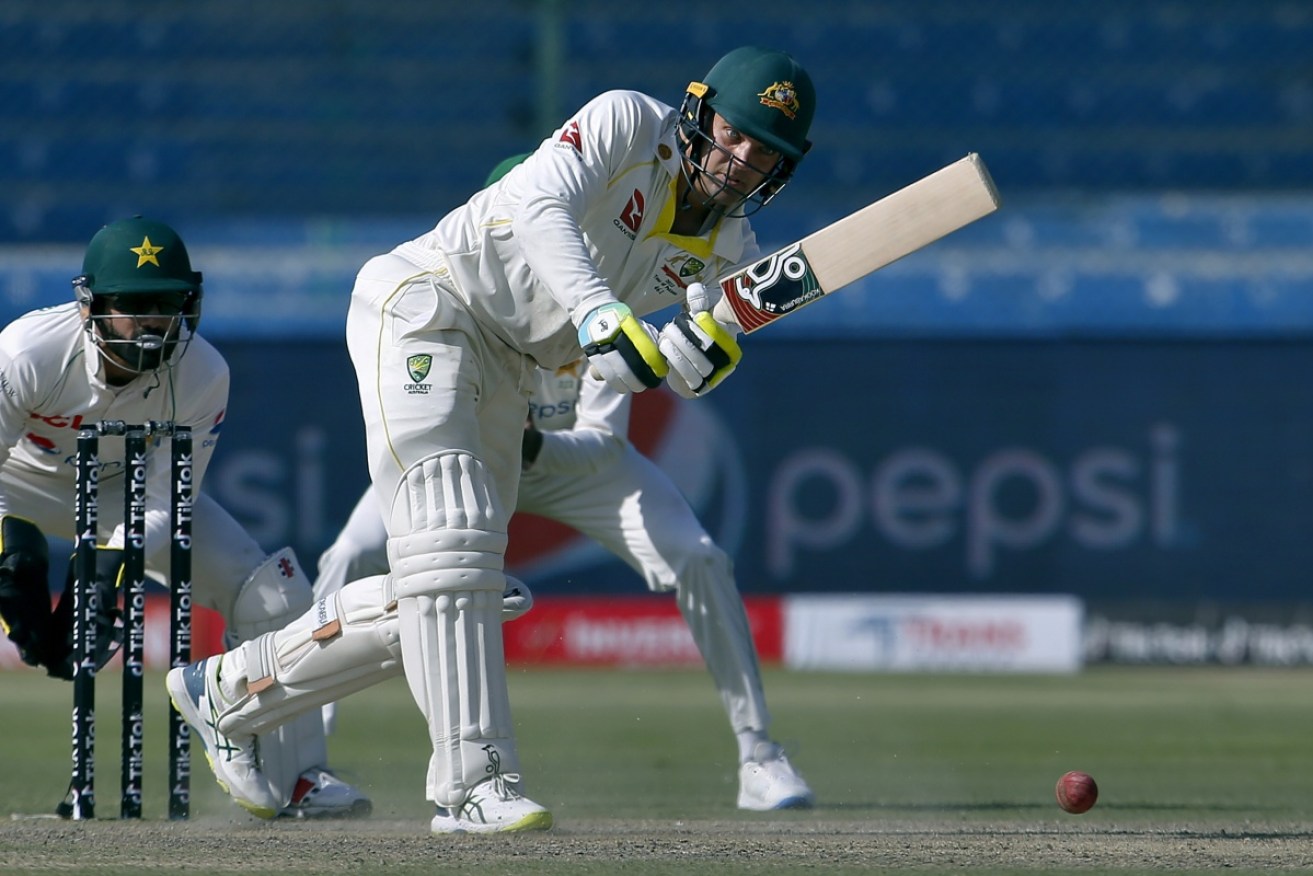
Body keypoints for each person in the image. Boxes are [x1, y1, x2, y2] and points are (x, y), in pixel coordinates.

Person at [167, 45, 816, 833]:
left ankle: (230, 690)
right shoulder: (623, 122)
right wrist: (602, 313)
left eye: (764, 151)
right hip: (429, 304)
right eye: (734, 132)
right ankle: (474, 785)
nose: (742, 158)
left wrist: (692, 361)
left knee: (456, 585)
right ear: (699, 111)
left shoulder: (731, 249)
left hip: (514, 369)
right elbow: (535, 208)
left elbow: (665, 367)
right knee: (454, 538)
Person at [315, 358, 814, 811]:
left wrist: (526, 442)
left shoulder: (600, 304)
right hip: (469, 460)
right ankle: (304, 754)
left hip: (575, 464)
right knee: (350, 553)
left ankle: (758, 754)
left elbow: (601, 444)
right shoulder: (482, 291)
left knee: (700, 557)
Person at [0, 216, 370, 819]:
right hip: (16, 483)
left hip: (128, 494)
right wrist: (13, 553)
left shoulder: (203, 373)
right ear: (89, 305)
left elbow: (171, 498)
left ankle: (295, 776)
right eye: (134, 305)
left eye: (167, 304)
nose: (153, 323)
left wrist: (106, 565)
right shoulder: (28, 352)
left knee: (276, 598)